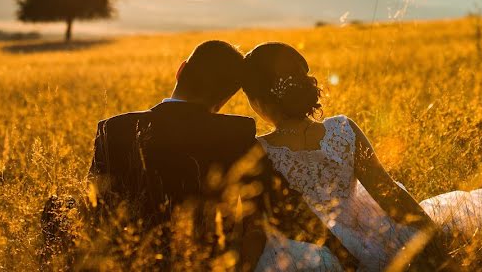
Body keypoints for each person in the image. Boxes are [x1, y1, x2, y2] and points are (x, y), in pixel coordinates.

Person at [242, 42, 482, 272]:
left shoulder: (258, 150)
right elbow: (387, 193)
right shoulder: (342, 128)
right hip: (371, 231)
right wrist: (432, 241)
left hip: (311, 251)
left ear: (258, 103)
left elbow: (259, 222)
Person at [87, 40, 355, 271]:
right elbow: (280, 204)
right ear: (226, 97)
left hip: (125, 262)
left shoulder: (113, 129)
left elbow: (95, 209)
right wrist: (344, 255)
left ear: (181, 71)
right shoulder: (234, 133)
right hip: (208, 264)